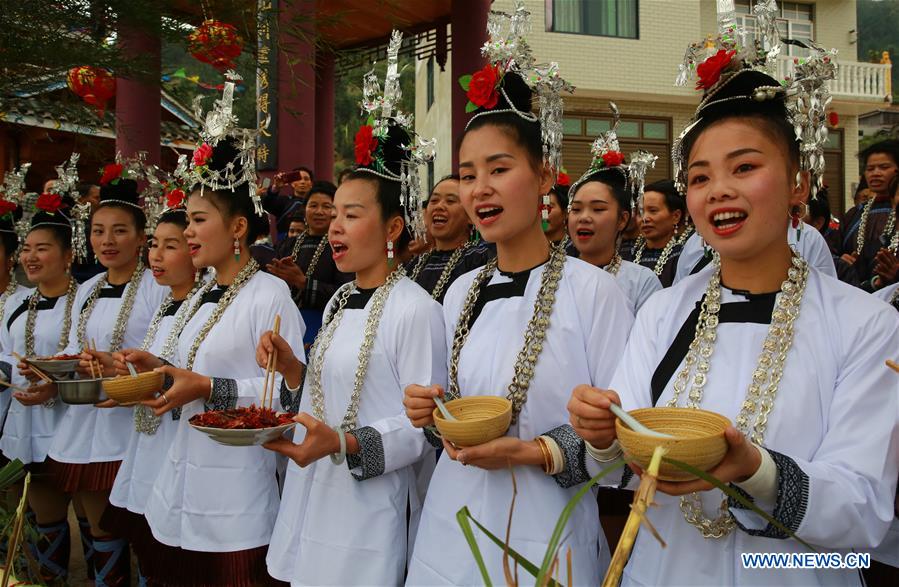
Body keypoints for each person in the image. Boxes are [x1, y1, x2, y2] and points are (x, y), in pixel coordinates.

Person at [568, 36, 899, 586]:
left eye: (744, 167)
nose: (718, 190)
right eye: (699, 178)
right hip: (663, 566)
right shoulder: (663, 311)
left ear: (798, 181)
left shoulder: (865, 324)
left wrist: (756, 472)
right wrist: (601, 431)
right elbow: (615, 458)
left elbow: (863, 513)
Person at [403, 9, 633, 584]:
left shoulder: (595, 293)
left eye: (499, 168)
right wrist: (429, 414)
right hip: (451, 522)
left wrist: (531, 452)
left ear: (544, 175)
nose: (479, 188)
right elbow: (449, 417)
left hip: (548, 531)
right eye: (467, 173)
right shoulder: (458, 292)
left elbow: (625, 443)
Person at [264, 57, 446, 580]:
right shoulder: (341, 297)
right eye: (334, 213)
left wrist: (343, 443)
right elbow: (328, 391)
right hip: (314, 489)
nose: (336, 227)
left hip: (373, 506)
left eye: (353, 214)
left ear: (391, 227)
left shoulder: (417, 310)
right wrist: (294, 368)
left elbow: (424, 429)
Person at [124, 88, 305, 585]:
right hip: (177, 474)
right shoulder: (200, 293)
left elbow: (288, 397)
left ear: (239, 227)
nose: (189, 234)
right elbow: (183, 370)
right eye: (187, 221)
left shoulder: (269, 296)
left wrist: (206, 388)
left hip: (237, 492)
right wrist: (151, 369)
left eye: (199, 221)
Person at [41, 164, 167, 584]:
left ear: (141, 237)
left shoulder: (157, 288)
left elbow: (165, 354)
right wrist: (51, 365)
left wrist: (122, 365)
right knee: (101, 530)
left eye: (119, 231)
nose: (106, 241)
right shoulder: (90, 288)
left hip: (135, 421)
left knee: (143, 529)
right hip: (90, 420)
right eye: (98, 231)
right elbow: (76, 343)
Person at [100, 203, 205, 584]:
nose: (156, 256)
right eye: (155, 244)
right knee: (145, 540)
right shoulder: (165, 306)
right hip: (149, 438)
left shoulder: (202, 310)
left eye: (171, 246)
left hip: (177, 443)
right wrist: (121, 373)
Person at [0, 200, 78, 583]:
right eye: (26, 249)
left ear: (68, 256)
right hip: (24, 420)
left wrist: (56, 382)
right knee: (42, 518)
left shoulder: (84, 301)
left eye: (42, 248)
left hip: (72, 422)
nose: (31, 257)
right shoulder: (15, 304)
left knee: (90, 517)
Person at [566, 130, 662, 314]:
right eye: (576, 209)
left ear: (622, 219)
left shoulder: (641, 282)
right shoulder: (551, 276)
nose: (584, 217)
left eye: (598, 209)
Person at [269, 181, 352, 348]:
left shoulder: (342, 246)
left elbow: (348, 292)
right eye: (313, 205)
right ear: (304, 209)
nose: (319, 211)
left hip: (325, 328)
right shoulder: (288, 245)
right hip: (285, 326)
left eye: (326, 206)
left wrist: (304, 284)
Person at [407, 174, 494, 303]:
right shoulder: (415, 265)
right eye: (434, 200)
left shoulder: (481, 257)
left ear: (470, 216)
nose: (439, 206)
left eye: (451, 201)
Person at [838, 140, 899, 288]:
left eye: (884, 167)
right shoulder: (854, 214)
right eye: (870, 168)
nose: (876, 173)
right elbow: (831, 251)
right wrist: (841, 261)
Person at [624, 180, 689, 286]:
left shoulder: (682, 257)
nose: (644, 218)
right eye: (640, 212)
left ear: (676, 216)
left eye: (653, 211)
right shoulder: (627, 254)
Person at [261, 166, 315, 239]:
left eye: (306, 179)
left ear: (311, 184)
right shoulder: (284, 201)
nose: (302, 182)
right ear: (292, 183)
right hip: (285, 246)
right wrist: (276, 188)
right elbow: (266, 204)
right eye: (299, 179)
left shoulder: (315, 205)